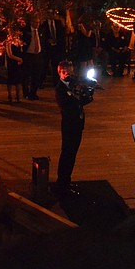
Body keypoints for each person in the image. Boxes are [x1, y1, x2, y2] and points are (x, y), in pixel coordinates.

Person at [54, 61, 87, 195]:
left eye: (69, 71)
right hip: (69, 125)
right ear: (60, 73)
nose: (67, 74)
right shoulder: (60, 89)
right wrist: (76, 96)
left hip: (78, 123)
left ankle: (66, 180)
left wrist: (87, 94)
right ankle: (63, 182)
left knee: (72, 153)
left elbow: (83, 101)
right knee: (67, 153)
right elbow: (66, 106)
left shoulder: (74, 83)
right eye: (64, 72)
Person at [21, 14, 43, 100]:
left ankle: (33, 92)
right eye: (35, 22)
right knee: (26, 75)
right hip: (28, 55)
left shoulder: (41, 30)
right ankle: (26, 93)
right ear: (31, 22)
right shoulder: (26, 30)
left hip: (37, 54)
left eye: (38, 22)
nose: (37, 24)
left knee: (36, 75)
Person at [5, 34, 24, 104]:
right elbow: (10, 55)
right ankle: (10, 96)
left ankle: (18, 96)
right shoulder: (8, 42)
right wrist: (19, 59)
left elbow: (21, 50)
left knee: (18, 80)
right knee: (10, 80)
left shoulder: (18, 41)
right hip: (12, 63)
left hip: (18, 63)